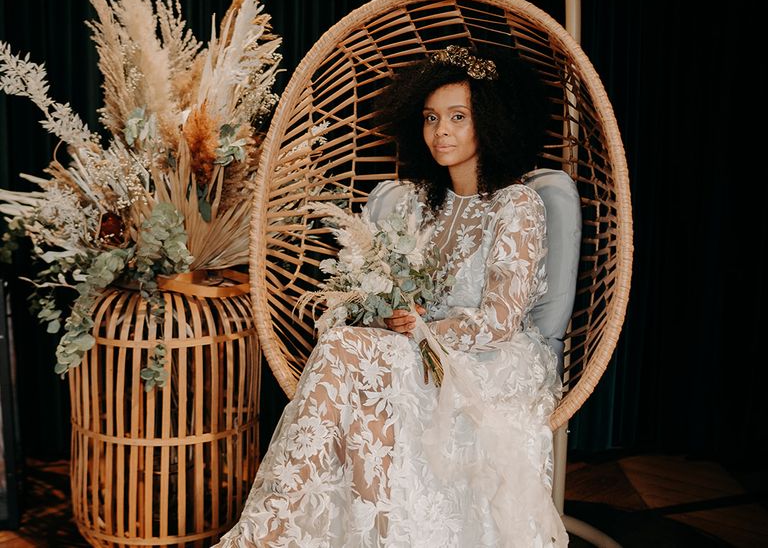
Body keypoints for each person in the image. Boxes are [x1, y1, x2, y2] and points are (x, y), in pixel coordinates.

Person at [213, 44, 568, 547]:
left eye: (457, 117)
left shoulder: (517, 204)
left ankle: (263, 533)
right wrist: (393, 320)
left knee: (343, 350)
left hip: (487, 362)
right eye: (430, 118)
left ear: (489, 120)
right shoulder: (422, 206)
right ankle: (368, 531)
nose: (440, 131)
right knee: (348, 347)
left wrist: (424, 332)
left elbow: (502, 319)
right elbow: (397, 296)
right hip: (418, 354)